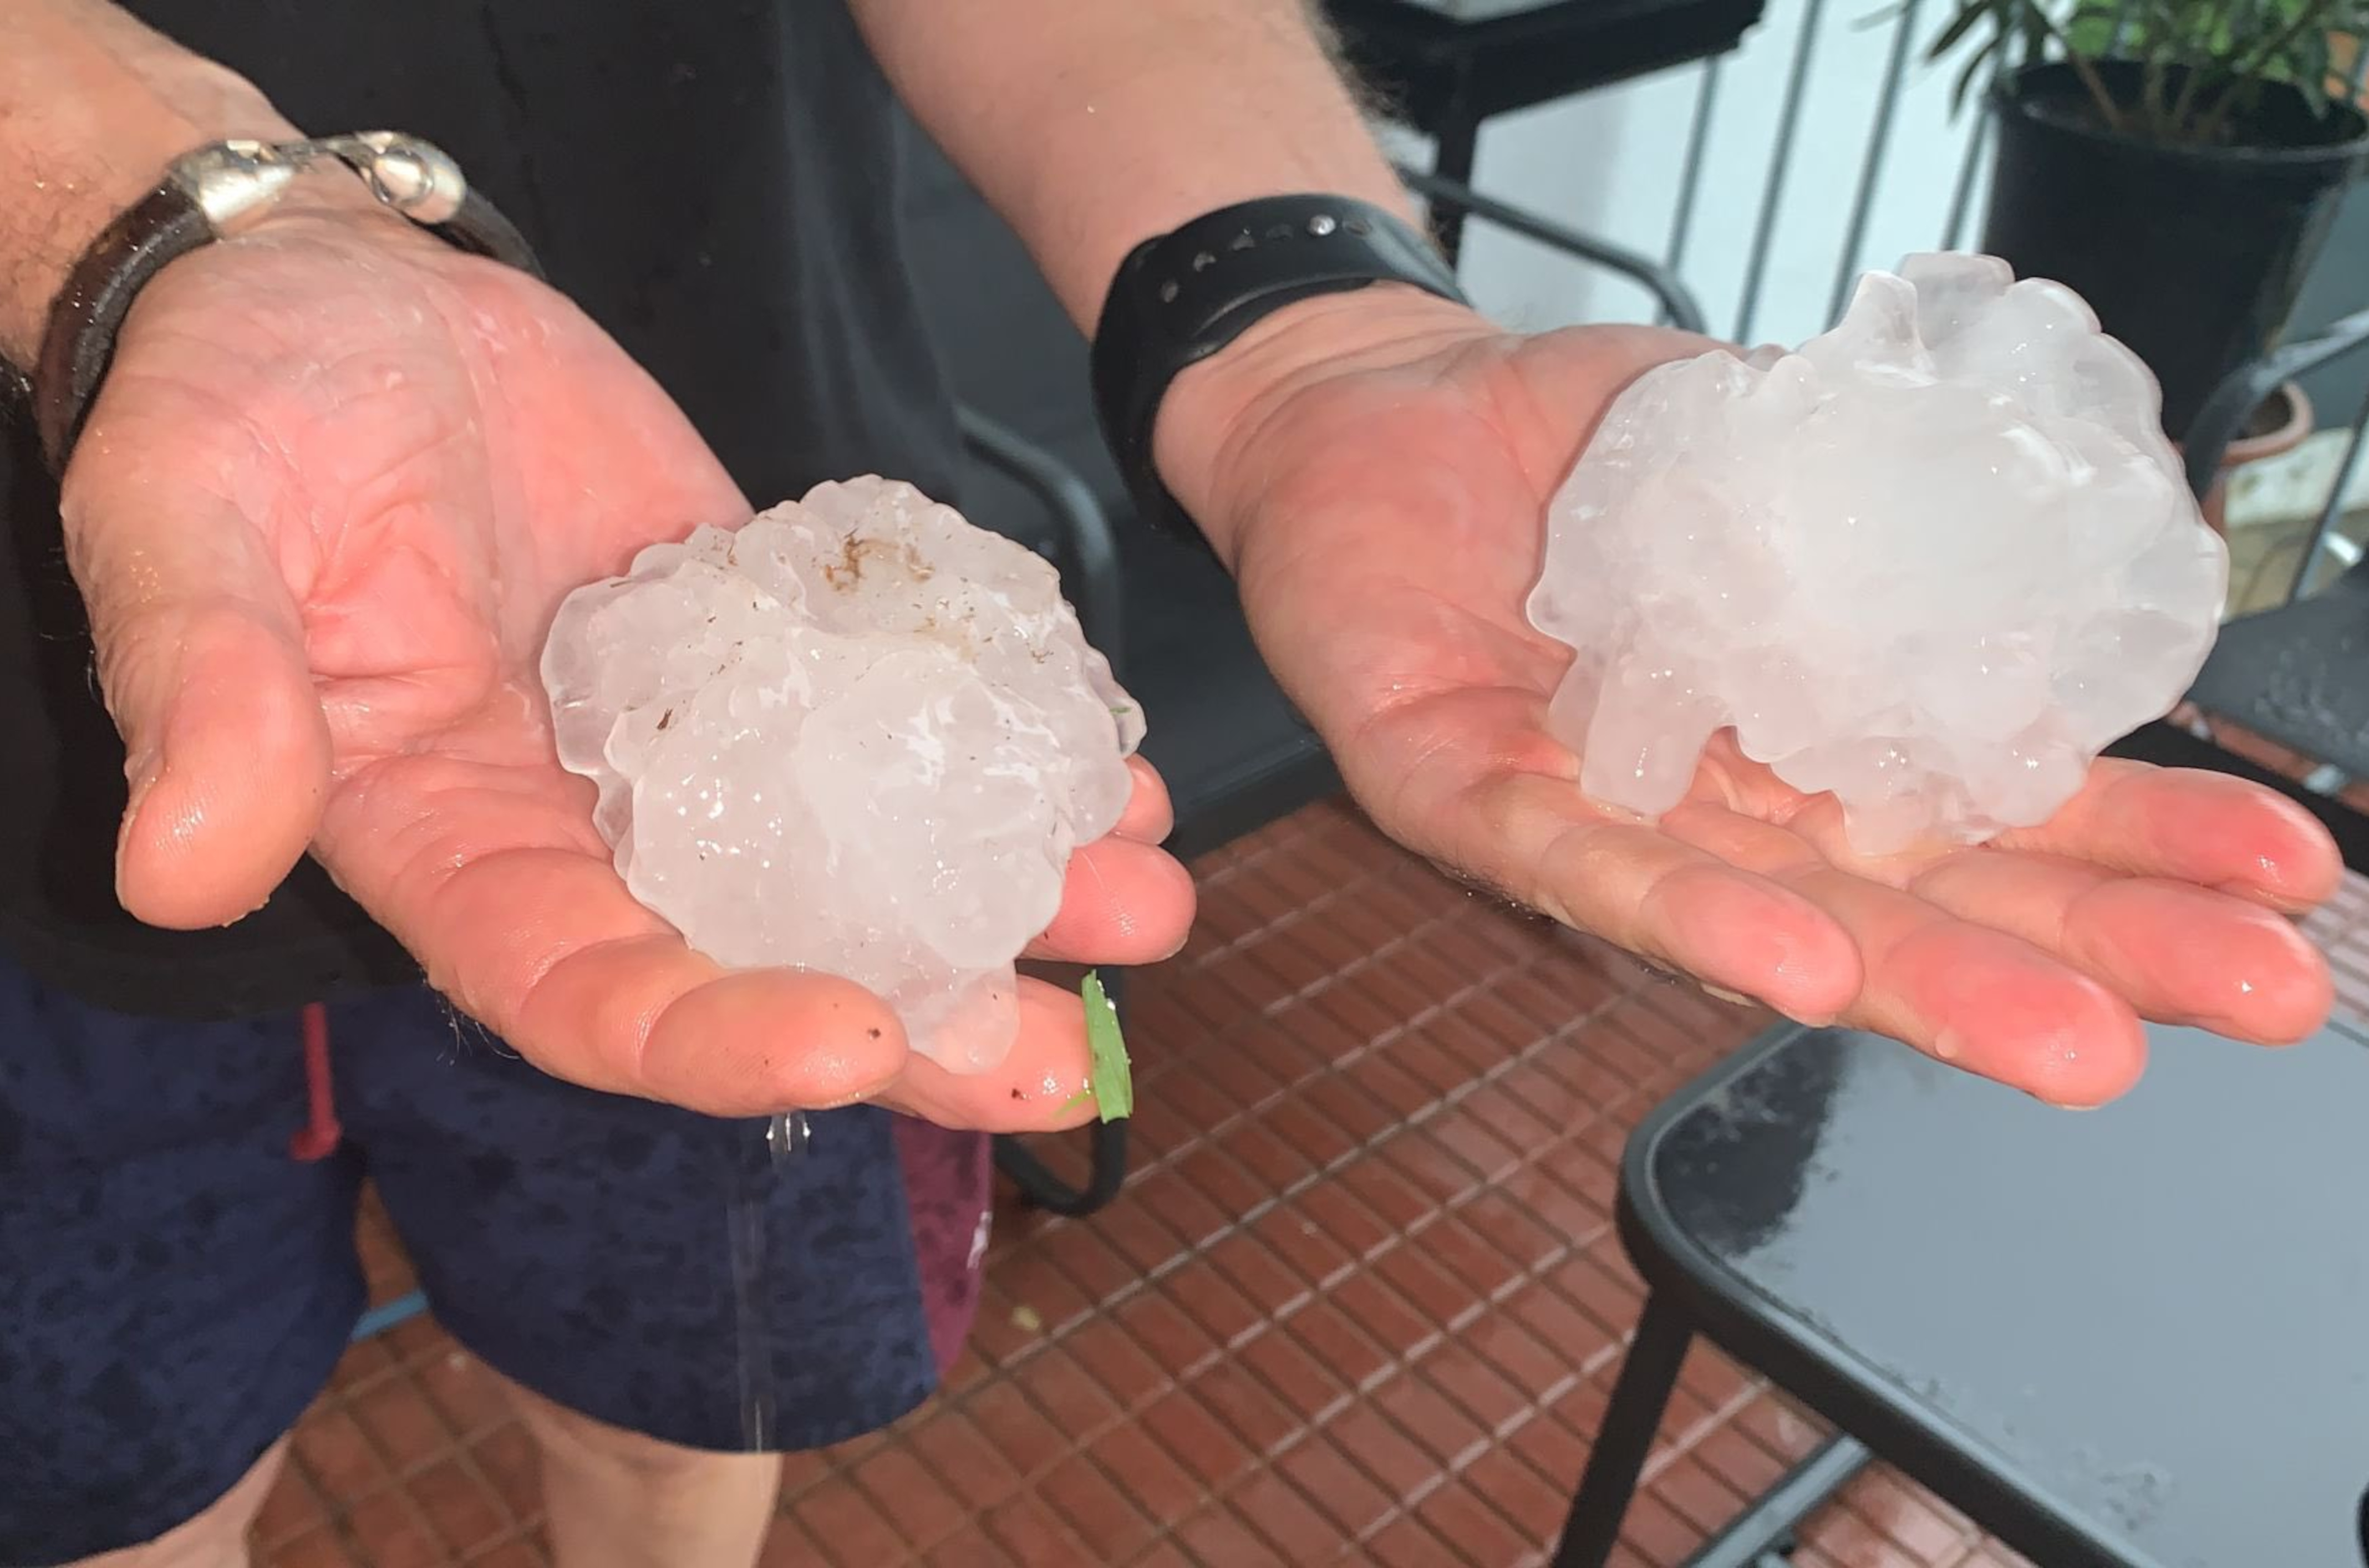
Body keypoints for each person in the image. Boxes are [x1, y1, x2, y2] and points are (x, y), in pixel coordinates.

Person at [0, 2, 2341, 1564]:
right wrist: (117, 203)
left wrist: (1305, 320)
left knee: (687, 1400)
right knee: (123, 1479)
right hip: (50, 761)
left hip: (721, 602)